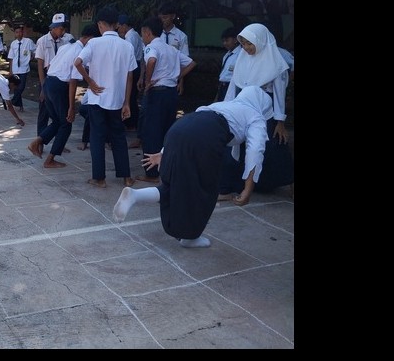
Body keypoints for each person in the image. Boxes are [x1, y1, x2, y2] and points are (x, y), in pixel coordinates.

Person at [112, 86, 273, 248]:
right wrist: (248, 189)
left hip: (179, 127)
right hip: (205, 138)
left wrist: (164, 152)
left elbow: (191, 128)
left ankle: (135, 195)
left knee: (174, 184)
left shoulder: (223, 105)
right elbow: (255, 151)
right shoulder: (256, 117)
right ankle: (190, 238)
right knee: (205, 189)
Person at [221, 22, 293, 195]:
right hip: (242, 107)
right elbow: (233, 87)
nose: (246, 48)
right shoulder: (241, 59)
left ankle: (270, 182)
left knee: (270, 146)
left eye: (250, 43)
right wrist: (225, 108)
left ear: (260, 41)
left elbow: (279, 94)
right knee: (240, 144)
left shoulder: (276, 63)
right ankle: (242, 182)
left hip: (265, 110)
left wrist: (280, 121)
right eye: (243, 44)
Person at [74, 6, 138, 188]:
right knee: (118, 137)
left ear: (100, 24)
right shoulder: (127, 46)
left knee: (97, 137)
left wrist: (90, 82)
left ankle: (99, 178)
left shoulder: (94, 43)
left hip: (97, 98)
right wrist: (127, 102)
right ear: (117, 24)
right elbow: (130, 76)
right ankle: (126, 177)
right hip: (117, 100)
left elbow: (77, 62)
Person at [27, 23, 100, 168]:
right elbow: (73, 81)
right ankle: (50, 160)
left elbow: (50, 66)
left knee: (57, 121)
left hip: (49, 83)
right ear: (90, 39)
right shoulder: (80, 52)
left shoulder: (66, 47)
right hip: (59, 87)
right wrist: (71, 107)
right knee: (66, 123)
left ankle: (37, 142)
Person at [135, 16, 196, 183]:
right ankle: (167, 168)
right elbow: (191, 63)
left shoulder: (151, 47)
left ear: (147, 32)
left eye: (142, 34)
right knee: (166, 131)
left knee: (151, 133)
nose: (142, 37)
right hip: (170, 94)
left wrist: (148, 81)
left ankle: (151, 173)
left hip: (157, 93)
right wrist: (176, 77)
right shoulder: (171, 49)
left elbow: (151, 60)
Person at [35, 13, 74, 136]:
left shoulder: (68, 39)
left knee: (61, 112)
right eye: (61, 29)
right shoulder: (42, 41)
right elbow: (40, 64)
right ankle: (40, 139)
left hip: (62, 79)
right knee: (44, 111)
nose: (63, 32)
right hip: (48, 78)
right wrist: (43, 87)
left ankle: (59, 137)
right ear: (53, 28)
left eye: (64, 28)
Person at [119, 14, 143, 130]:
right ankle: (132, 121)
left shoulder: (130, 37)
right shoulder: (135, 34)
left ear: (124, 26)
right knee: (132, 95)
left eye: (119, 27)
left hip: (133, 66)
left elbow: (128, 56)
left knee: (130, 95)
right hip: (136, 65)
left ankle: (131, 122)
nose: (118, 30)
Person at [6, 24, 36, 112]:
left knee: (21, 86)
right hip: (15, 68)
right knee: (16, 87)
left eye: (20, 32)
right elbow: (11, 57)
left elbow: (35, 50)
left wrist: (32, 56)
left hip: (24, 68)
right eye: (17, 32)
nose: (19, 34)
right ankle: (20, 105)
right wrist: (10, 70)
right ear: (15, 33)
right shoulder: (13, 43)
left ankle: (13, 101)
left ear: (22, 32)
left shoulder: (28, 41)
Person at [215, 26, 242, 102]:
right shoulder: (227, 55)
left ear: (235, 40)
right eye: (223, 41)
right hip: (222, 86)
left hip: (232, 86)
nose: (224, 43)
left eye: (227, 41)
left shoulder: (240, 54)